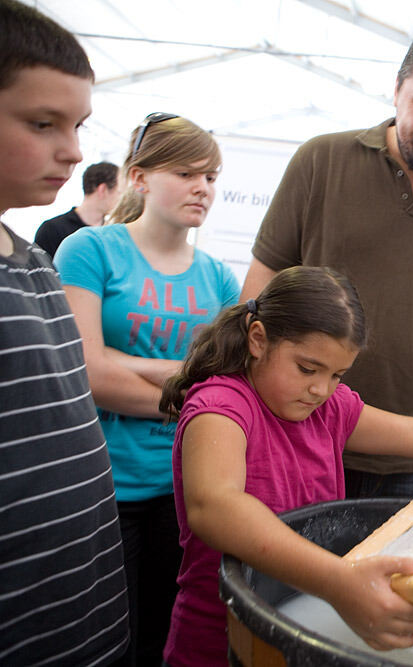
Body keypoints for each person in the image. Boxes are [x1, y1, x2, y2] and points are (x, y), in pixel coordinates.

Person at [159, 266, 413, 666]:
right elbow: (216, 507)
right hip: (217, 642)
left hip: (302, 636)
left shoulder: (329, 408)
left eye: (337, 374)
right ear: (258, 339)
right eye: (307, 368)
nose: (320, 388)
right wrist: (337, 581)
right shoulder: (222, 407)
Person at [240, 20, 413, 500]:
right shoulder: (321, 161)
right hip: (296, 438)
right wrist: (247, 406)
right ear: (396, 89)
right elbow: (261, 287)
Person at [54, 113, 240, 665]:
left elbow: (227, 383)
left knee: (164, 636)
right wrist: (187, 381)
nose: (202, 188)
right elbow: (86, 373)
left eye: (211, 177)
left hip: (182, 488)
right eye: (186, 173)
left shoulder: (218, 277)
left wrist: (121, 363)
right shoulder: (90, 250)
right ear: (138, 177)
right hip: (100, 482)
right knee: (104, 638)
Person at [0, 0, 129, 664]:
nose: (74, 151)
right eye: (42, 123)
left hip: (81, 613)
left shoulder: (35, 261)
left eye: (77, 125)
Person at [34, 160, 119, 256]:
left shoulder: (111, 232)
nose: (122, 199)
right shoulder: (51, 230)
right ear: (103, 190)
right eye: (119, 192)